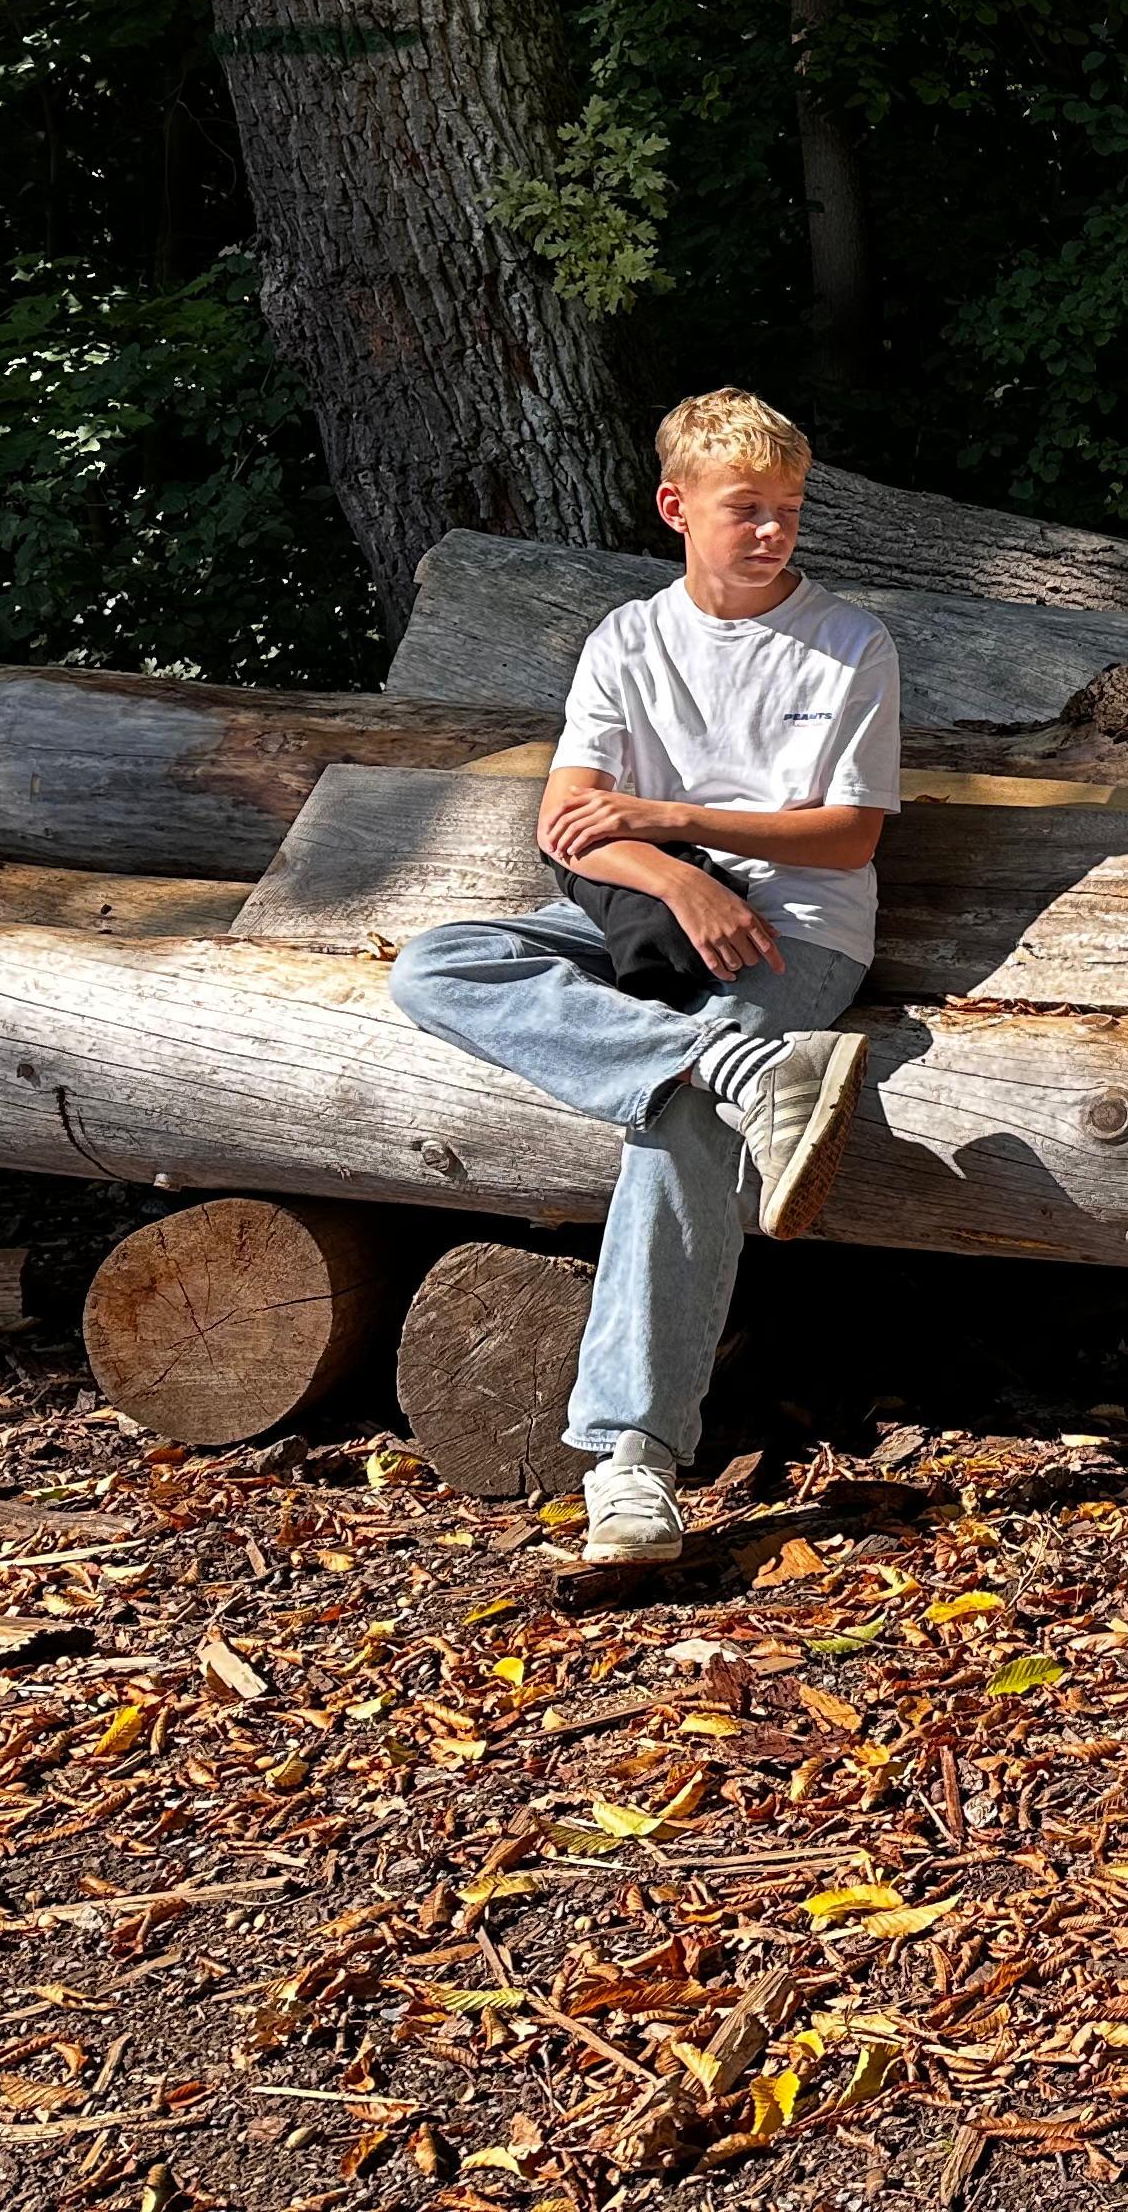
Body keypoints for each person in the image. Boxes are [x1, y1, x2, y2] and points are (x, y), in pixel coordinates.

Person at [389, 390, 897, 1569]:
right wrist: (677, 879)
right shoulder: (627, 639)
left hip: (799, 931)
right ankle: (736, 1067)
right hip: (647, 920)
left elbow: (849, 838)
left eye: (788, 510)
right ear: (676, 507)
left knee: (674, 1128)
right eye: (745, 509)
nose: (771, 531)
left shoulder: (849, 641)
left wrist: (675, 823)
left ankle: (631, 1460)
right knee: (437, 963)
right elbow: (566, 823)